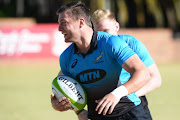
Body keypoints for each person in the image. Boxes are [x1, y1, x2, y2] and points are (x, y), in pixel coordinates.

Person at [51, 1, 150, 120]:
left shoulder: (110, 43)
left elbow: (143, 73)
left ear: (81, 22)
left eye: (64, 23)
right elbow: (67, 88)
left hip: (130, 114)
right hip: (97, 117)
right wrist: (65, 106)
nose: (59, 29)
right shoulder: (66, 58)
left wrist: (116, 94)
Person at [91, 9, 162, 119]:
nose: (103, 37)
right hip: (102, 112)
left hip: (134, 109)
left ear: (117, 27)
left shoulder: (132, 44)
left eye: (106, 31)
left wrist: (125, 96)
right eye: (99, 33)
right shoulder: (89, 51)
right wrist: (79, 111)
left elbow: (155, 78)